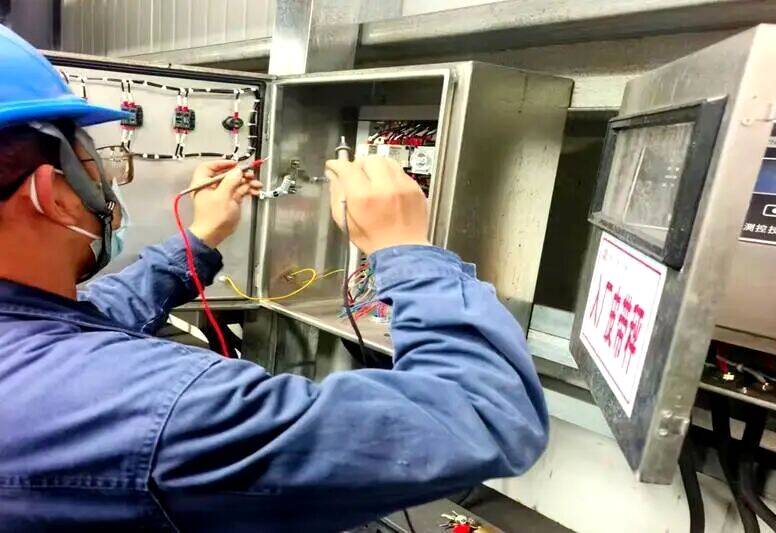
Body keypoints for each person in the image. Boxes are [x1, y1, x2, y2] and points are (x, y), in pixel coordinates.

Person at [0, 25, 548, 532]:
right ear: (53, 194)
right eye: (102, 166)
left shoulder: (28, 350)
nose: (111, 184)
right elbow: (485, 414)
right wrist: (405, 249)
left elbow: (92, 314)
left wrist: (204, 236)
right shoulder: (160, 408)